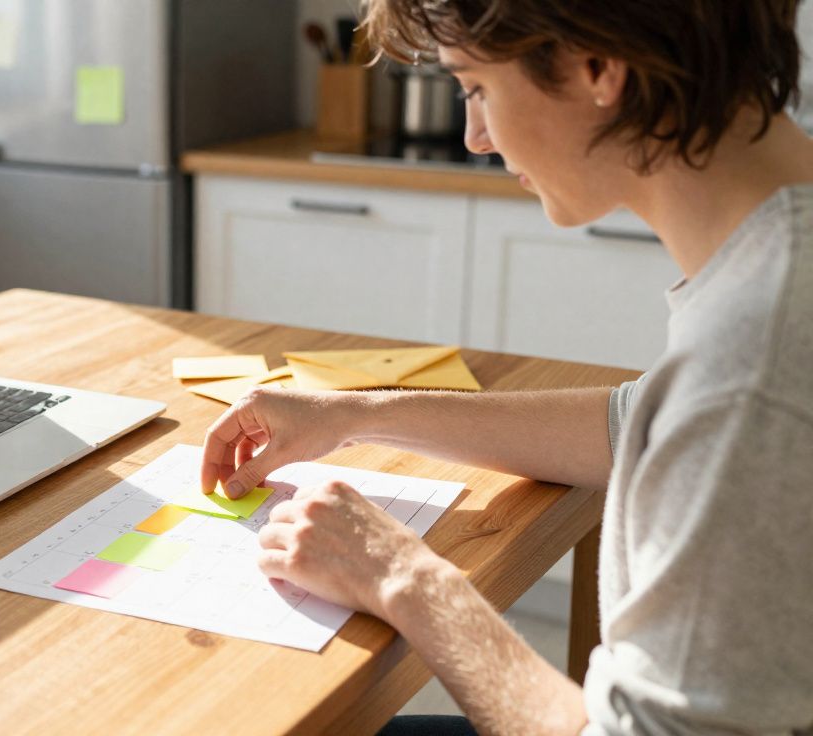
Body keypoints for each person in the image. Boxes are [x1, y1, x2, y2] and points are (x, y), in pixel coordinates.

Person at [200, 1, 813, 733]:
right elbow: (639, 427)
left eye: (475, 87)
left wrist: (405, 577)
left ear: (597, 65)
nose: (476, 136)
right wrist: (355, 412)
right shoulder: (777, 259)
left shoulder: (752, 364)